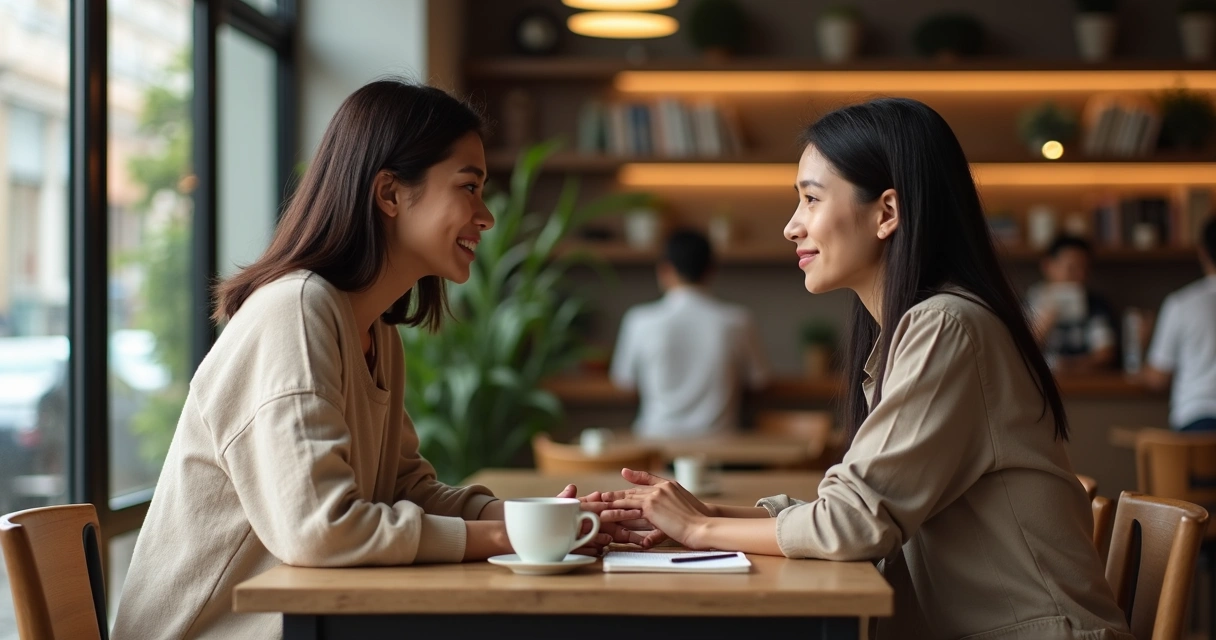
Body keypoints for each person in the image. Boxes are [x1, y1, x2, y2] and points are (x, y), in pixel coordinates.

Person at [599, 98, 1132, 639]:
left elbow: (853, 524)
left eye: (810, 199)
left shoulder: (946, 326)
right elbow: (851, 509)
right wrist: (706, 513)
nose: (791, 226)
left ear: (887, 213)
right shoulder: (919, 328)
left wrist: (700, 528)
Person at [112, 80, 612, 639]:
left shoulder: (370, 330)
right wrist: (507, 537)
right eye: (468, 188)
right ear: (390, 193)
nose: (486, 216)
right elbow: (319, 529)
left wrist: (541, 520)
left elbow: (406, 490)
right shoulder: (294, 310)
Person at [609, 229, 768, 438]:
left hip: (653, 446)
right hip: (720, 449)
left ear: (665, 270)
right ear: (711, 270)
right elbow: (760, 381)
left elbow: (624, 384)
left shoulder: (639, 320)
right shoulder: (737, 321)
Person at [1140, 217, 1216, 431]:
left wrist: (1143, 347)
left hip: (1198, 420)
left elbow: (1157, 379)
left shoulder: (1182, 304)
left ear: (1202, 251)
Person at [1027, 235, 1117, 372]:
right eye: (1072, 268)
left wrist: (1069, 366)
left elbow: (1105, 354)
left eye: (1085, 269)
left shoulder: (1096, 305)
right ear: (1048, 266)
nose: (1080, 276)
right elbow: (1017, 354)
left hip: (1084, 386)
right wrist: (1042, 328)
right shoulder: (1028, 303)